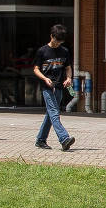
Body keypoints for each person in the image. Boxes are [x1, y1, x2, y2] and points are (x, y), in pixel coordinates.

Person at [31, 22, 76, 152]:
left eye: (60, 43)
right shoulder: (42, 51)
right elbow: (35, 69)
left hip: (59, 87)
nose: (57, 44)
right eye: (56, 41)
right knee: (54, 113)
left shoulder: (64, 51)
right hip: (47, 87)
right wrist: (45, 78)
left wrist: (69, 78)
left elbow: (68, 68)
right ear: (51, 36)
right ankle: (64, 139)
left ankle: (40, 140)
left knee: (51, 114)